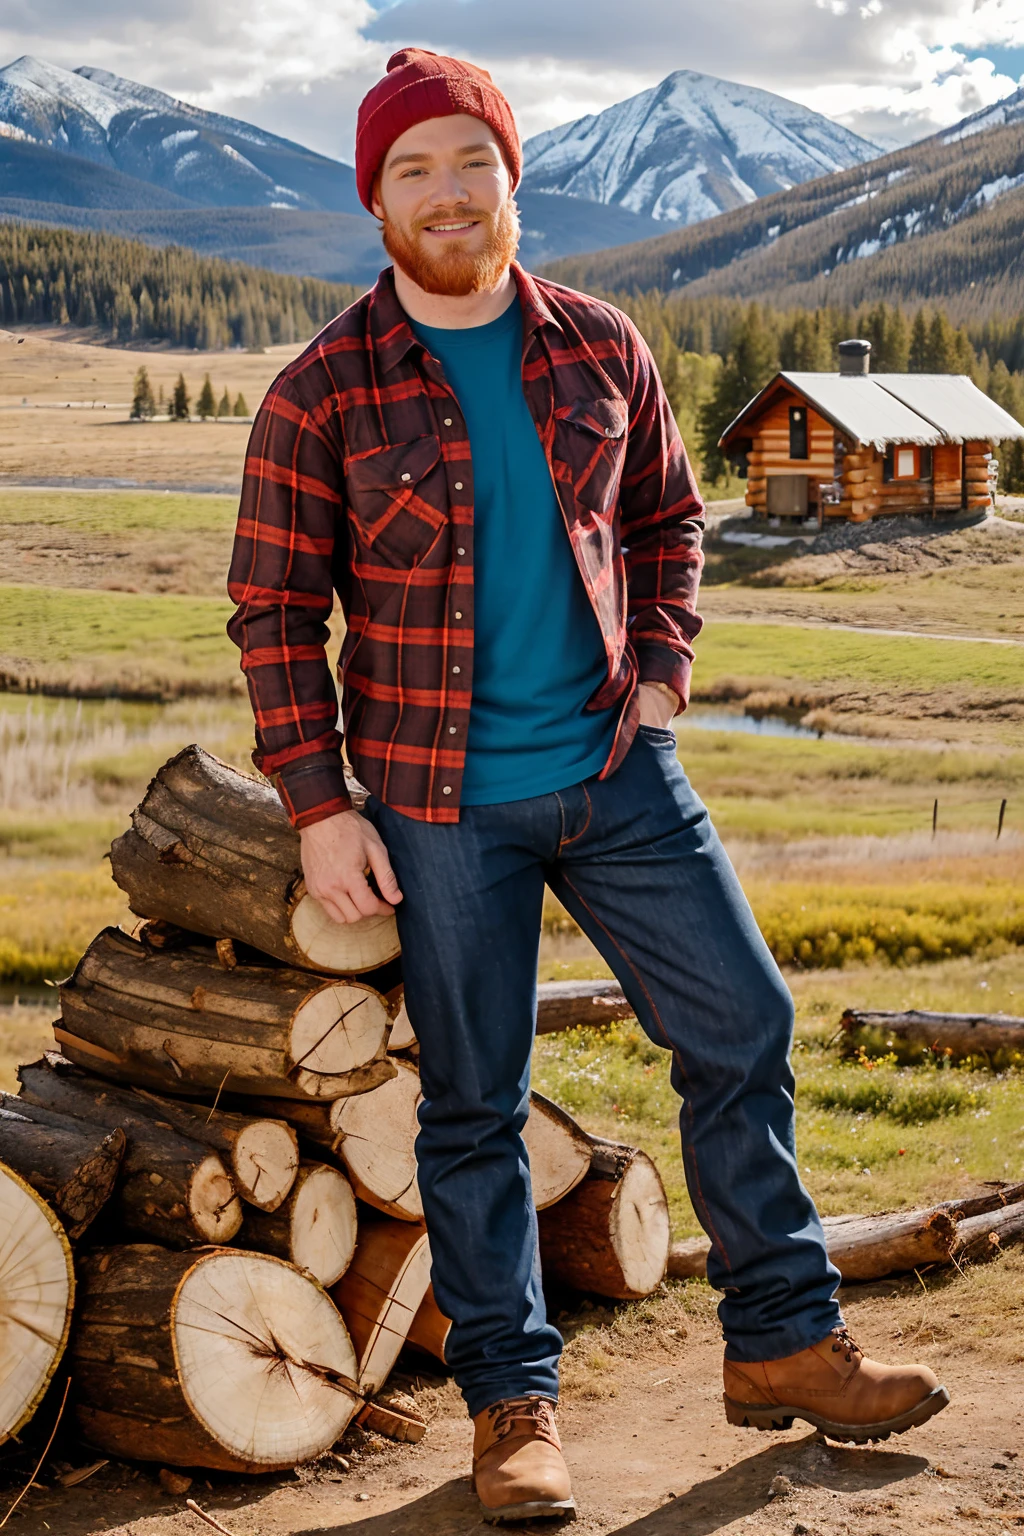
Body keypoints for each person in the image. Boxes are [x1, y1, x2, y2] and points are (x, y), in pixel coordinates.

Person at [227, 47, 949, 1524]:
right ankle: (514, 1409)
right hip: (435, 806)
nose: (444, 192)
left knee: (745, 1022)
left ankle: (787, 1343)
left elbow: (673, 519)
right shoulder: (322, 391)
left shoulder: (601, 349)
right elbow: (271, 612)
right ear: (374, 198)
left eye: (467, 161)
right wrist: (319, 800)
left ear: (513, 176)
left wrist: (667, 671)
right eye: (410, 170)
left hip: (620, 770)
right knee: (474, 1108)